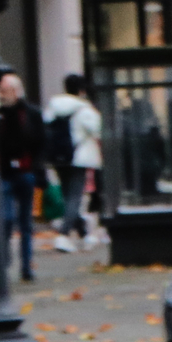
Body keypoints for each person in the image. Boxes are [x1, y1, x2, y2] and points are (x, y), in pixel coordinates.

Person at [0, 72, 45, 282]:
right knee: (5, 219)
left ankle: (26, 266)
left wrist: (36, 168)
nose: (1, 95)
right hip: (4, 173)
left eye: (3, 91)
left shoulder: (31, 114)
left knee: (25, 222)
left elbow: (40, 142)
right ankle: (4, 263)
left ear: (15, 91)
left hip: (25, 172)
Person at [46, 74, 105, 250]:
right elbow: (98, 130)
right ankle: (63, 235)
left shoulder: (53, 107)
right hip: (79, 158)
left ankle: (84, 233)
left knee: (67, 197)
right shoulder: (85, 109)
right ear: (82, 90)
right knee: (75, 198)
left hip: (58, 158)